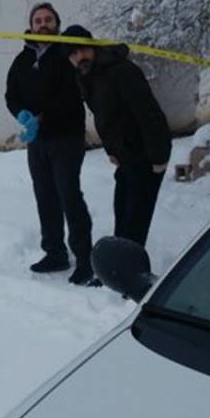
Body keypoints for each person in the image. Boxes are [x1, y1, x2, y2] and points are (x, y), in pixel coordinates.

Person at [5, 3, 97, 286]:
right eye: (37, 20)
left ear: (57, 23)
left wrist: (42, 118)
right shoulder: (23, 59)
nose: (43, 24)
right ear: (31, 26)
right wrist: (21, 113)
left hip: (66, 136)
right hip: (38, 141)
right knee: (45, 196)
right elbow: (12, 93)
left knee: (69, 194)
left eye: (48, 19)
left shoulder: (65, 54)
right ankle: (55, 252)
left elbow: (72, 95)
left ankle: (84, 259)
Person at [63, 25, 172, 251]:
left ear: (92, 47)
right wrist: (112, 150)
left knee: (135, 221)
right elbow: (108, 117)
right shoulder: (88, 75)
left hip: (146, 156)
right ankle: (118, 267)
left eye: (82, 49)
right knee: (122, 212)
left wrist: (159, 157)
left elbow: (149, 114)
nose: (79, 56)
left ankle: (130, 274)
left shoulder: (121, 71)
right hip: (126, 156)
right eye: (73, 54)